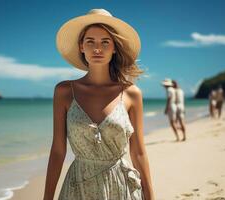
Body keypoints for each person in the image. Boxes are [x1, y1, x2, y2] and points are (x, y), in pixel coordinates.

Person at [43, 8, 154, 200]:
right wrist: (47, 198)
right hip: (78, 187)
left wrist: (151, 196)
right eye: (90, 41)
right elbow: (58, 150)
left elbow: (138, 152)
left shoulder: (131, 94)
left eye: (105, 42)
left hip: (120, 187)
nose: (97, 49)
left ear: (114, 48)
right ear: (81, 47)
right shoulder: (64, 92)